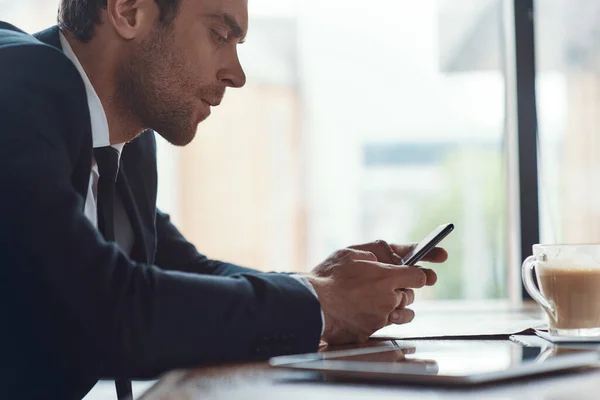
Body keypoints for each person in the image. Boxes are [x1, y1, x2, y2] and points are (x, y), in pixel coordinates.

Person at [0, 0, 448, 398]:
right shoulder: (22, 78)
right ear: (128, 11)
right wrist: (323, 306)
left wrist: (324, 286)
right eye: (219, 35)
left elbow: (179, 270)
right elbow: (103, 309)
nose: (236, 74)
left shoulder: (127, 137)